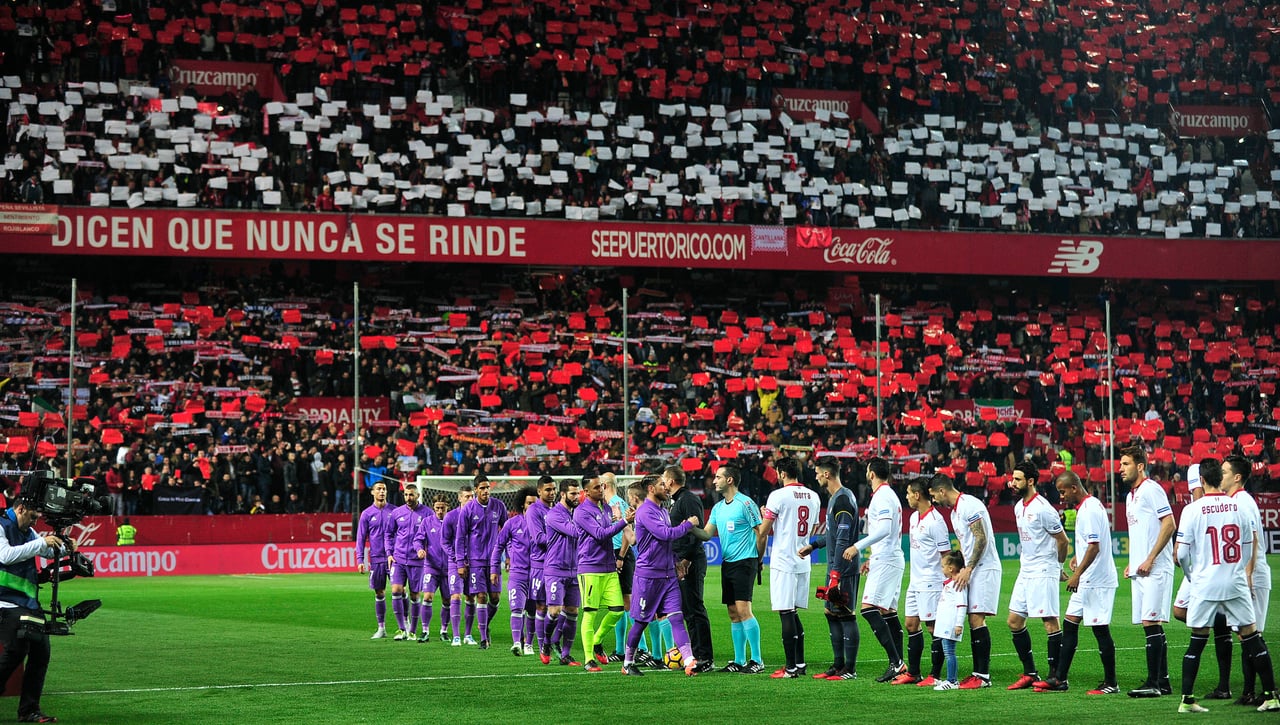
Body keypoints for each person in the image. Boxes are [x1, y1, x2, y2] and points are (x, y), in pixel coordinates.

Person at [1172, 458, 1279, 713]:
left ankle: (1187, 699)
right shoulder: (1237, 506)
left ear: (1201, 480)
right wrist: (1236, 570)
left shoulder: (1192, 510)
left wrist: (1191, 575)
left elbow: (1182, 553)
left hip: (1205, 582)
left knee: (1197, 640)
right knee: (1252, 637)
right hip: (1234, 581)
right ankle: (1271, 696)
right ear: (1220, 478)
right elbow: (1247, 546)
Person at [1038, 470, 1119, 694]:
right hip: (1089, 578)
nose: (1061, 496)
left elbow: (1095, 546)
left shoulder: (1090, 509)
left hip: (1097, 580)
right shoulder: (1087, 507)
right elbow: (1090, 543)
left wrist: (1077, 574)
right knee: (1070, 622)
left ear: (1074, 488)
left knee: (1100, 629)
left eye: (1063, 491)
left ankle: (1111, 683)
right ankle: (1060, 679)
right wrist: (1077, 557)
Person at [621, 475, 706, 677]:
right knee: (641, 622)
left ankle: (688, 660)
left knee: (677, 617)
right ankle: (627, 662)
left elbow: (666, 543)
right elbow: (665, 535)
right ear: (651, 488)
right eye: (662, 484)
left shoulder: (662, 511)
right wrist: (689, 524)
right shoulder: (645, 512)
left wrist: (676, 562)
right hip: (648, 576)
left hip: (667, 576)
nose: (666, 487)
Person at [928, 473, 1002, 689]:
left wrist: (968, 569)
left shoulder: (970, 505)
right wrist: (957, 571)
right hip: (970, 569)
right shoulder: (954, 513)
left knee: (977, 619)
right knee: (972, 620)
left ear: (942, 491)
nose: (934, 501)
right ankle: (978, 674)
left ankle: (983, 676)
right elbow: (965, 544)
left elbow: (981, 538)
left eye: (934, 496)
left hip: (984, 568)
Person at [0, 492, 69, 723]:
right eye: (32, 516)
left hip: (28, 603)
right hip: (5, 602)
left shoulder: (28, 531)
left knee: (41, 653)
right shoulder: (1, 524)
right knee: (16, 652)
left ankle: (29, 710)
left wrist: (65, 545)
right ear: (20, 509)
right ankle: (28, 710)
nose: (35, 521)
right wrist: (41, 542)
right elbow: (5, 556)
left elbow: (47, 550)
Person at [1172, 463, 1232, 700]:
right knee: (1180, 611)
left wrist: (1188, 570)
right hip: (1207, 568)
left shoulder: (1196, 508)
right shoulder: (1205, 505)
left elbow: (1182, 552)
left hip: (1203, 569)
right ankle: (1218, 623)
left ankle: (1220, 687)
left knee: (1204, 631)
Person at [1007, 461, 1069, 690]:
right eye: (1013, 479)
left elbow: (1063, 541)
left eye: (1018, 479)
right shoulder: (1018, 507)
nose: (1013, 483)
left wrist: (1057, 566)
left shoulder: (1043, 509)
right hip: (1026, 569)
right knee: (1014, 621)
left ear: (1031, 481)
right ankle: (1030, 673)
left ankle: (1057, 678)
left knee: (1049, 622)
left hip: (1044, 569)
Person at [756, 456, 819, 679]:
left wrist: (763, 518)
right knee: (793, 613)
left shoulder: (778, 496)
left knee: (785, 612)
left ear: (782, 473)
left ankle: (790, 667)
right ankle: (800, 664)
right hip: (803, 560)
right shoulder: (814, 496)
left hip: (784, 560)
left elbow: (764, 530)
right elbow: (809, 529)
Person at [1120, 445, 1175, 698]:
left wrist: (1151, 558)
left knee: (1150, 622)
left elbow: (1169, 523)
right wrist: (1135, 561)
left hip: (1156, 568)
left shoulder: (1151, 490)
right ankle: (1161, 682)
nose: (1120, 469)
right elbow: (1143, 532)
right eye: (1120, 465)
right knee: (1149, 624)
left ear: (1140, 466)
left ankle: (1154, 683)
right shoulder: (1132, 496)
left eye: (1126, 464)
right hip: (1141, 570)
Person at [1222, 454, 1275, 706]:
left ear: (1237, 477)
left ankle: (1267, 691)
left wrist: (1248, 575)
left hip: (1252, 574)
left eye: (1224, 472)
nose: (1220, 476)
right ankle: (1250, 692)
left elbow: (1252, 538)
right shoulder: (1235, 500)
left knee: (1252, 634)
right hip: (1245, 574)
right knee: (1245, 634)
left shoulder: (1242, 501)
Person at [849, 457, 907, 683]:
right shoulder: (887, 495)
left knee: (868, 609)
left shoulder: (883, 496)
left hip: (888, 559)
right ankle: (899, 664)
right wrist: (871, 557)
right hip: (886, 557)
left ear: (871, 473)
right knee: (888, 612)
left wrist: (857, 547)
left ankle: (897, 662)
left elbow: (884, 529)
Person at [800, 459, 859, 681]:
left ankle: (849, 669)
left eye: (817, 473)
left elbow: (844, 539)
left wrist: (836, 574)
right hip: (835, 566)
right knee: (830, 612)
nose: (815, 477)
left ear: (826, 474)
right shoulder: (838, 497)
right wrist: (814, 545)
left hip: (842, 567)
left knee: (845, 613)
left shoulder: (843, 499)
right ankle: (838, 665)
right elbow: (834, 535)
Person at [704, 463, 765, 674]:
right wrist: (687, 527)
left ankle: (756, 660)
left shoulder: (746, 503)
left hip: (745, 561)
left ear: (729, 480)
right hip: (727, 562)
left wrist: (758, 558)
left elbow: (760, 531)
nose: (714, 481)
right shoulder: (718, 508)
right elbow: (706, 534)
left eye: (718, 477)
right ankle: (739, 660)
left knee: (743, 609)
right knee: (732, 612)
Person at [573, 473, 631, 671]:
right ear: (586, 491)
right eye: (596, 487)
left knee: (617, 610)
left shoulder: (606, 508)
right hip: (590, 568)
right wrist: (623, 521)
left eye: (602, 486)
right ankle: (589, 659)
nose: (601, 489)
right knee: (590, 613)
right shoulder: (581, 512)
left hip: (608, 567)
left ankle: (597, 640)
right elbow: (599, 535)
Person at [898, 478, 951, 687]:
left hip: (931, 581)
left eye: (909, 493)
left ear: (917, 495)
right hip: (915, 580)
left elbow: (945, 553)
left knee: (933, 627)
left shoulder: (936, 522)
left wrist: (947, 581)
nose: (907, 496)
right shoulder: (913, 518)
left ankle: (935, 675)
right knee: (911, 624)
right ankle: (913, 672)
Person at [664, 464, 713, 673]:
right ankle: (695, 653)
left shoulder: (688, 499)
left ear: (671, 481)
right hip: (681, 561)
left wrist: (686, 560)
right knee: (687, 609)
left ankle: (705, 657)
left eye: (664, 480)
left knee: (695, 608)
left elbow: (696, 531)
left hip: (690, 562)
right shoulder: (678, 501)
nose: (662, 484)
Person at [455, 475, 509, 650]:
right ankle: (484, 638)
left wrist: (509, 555)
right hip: (475, 560)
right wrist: (460, 562)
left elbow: (508, 532)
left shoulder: (499, 506)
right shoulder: (468, 509)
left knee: (495, 598)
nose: (486, 491)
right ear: (476, 490)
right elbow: (460, 537)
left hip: (494, 560)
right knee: (481, 596)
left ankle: (483, 623)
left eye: (488, 487)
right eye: (483, 488)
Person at [543, 479, 583, 666]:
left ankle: (565, 655)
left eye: (578, 493)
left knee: (573, 612)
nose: (577, 497)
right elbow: (575, 532)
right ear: (563, 494)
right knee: (555, 610)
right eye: (573, 494)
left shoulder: (577, 513)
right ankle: (546, 642)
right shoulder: (554, 515)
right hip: (555, 569)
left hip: (574, 570)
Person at [493, 487, 535, 656]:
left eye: (535, 503)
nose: (533, 506)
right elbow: (498, 546)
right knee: (516, 608)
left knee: (532, 610)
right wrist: (494, 568)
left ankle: (529, 644)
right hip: (518, 573)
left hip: (537, 573)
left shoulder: (545, 522)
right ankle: (517, 642)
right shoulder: (512, 523)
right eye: (529, 503)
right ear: (522, 505)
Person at [384, 483, 429, 641]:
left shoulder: (427, 513)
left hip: (417, 561)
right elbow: (388, 534)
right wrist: (389, 553)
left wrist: (428, 551)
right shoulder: (396, 513)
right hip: (399, 558)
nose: (408, 498)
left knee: (415, 595)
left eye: (411, 495)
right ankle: (402, 628)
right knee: (396, 590)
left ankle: (413, 630)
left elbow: (431, 535)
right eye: (406, 495)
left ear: (418, 495)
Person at [602, 472, 635, 662]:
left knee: (625, 602)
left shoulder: (615, 504)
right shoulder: (617, 502)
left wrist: (621, 556)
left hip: (620, 554)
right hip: (616, 553)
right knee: (619, 603)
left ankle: (636, 648)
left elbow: (626, 532)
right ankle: (621, 649)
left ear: (605, 486)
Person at [355, 481, 391, 638]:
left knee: (401, 590)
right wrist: (360, 559)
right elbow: (360, 538)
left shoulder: (395, 511)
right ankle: (381, 628)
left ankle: (406, 625)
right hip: (376, 558)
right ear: (372, 492)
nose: (382, 492)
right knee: (379, 592)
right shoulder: (367, 514)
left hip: (394, 558)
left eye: (384, 489)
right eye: (379, 489)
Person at [525, 476, 556, 658]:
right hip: (540, 565)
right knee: (542, 606)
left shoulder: (559, 509)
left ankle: (553, 643)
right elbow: (538, 538)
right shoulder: (534, 511)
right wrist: (562, 538)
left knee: (559, 607)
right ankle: (542, 646)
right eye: (547, 490)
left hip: (559, 564)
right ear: (539, 491)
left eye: (553, 489)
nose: (551, 493)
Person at [442, 485, 475, 646]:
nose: (470, 499)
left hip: (475, 563)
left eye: (472, 496)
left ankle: (468, 635)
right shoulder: (450, 517)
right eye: (467, 496)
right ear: (459, 498)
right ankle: (456, 636)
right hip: (455, 563)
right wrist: (456, 557)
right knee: (455, 596)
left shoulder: (478, 516)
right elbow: (445, 541)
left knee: (471, 597)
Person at [933, 550, 969, 691]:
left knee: (949, 652)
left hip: (951, 625)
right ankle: (950, 679)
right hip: (945, 624)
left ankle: (952, 681)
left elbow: (962, 605)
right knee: (947, 651)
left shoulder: (957, 585)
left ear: (951, 568)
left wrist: (959, 624)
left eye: (943, 566)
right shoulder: (949, 583)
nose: (941, 569)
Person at [417, 495, 451, 642]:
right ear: (433, 507)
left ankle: (444, 630)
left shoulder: (453, 522)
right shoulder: (427, 522)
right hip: (431, 566)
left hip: (450, 568)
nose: (439, 510)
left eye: (442, 508)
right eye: (437, 508)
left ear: (447, 507)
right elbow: (418, 539)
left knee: (447, 600)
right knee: (427, 596)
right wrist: (419, 549)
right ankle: (425, 631)